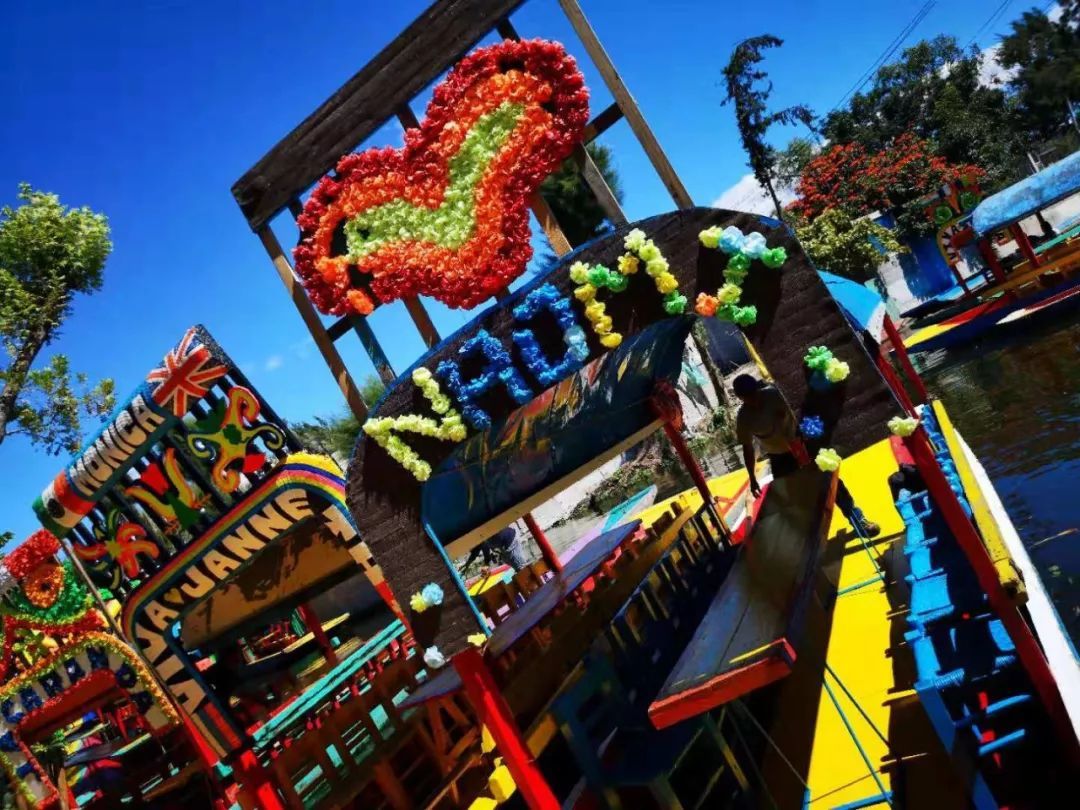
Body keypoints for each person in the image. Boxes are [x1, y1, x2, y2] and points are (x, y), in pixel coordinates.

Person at [733, 373, 880, 537]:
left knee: (829, 481)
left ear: (757, 389)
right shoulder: (744, 418)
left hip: (802, 445)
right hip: (779, 458)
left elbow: (804, 410)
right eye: (747, 398)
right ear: (740, 398)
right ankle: (808, 536)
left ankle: (857, 519)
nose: (753, 400)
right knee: (794, 498)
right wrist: (752, 479)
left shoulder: (775, 395)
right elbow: (747, 448)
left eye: (754, 394)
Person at [462, 525, 528, 572]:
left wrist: (486, 564)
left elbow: (481, 548)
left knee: (521, 567)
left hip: (510, 544)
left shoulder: (484, 536)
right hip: (505, 546)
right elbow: (481, 548)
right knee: (510, 561)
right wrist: (468, 563)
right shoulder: (483, 539)